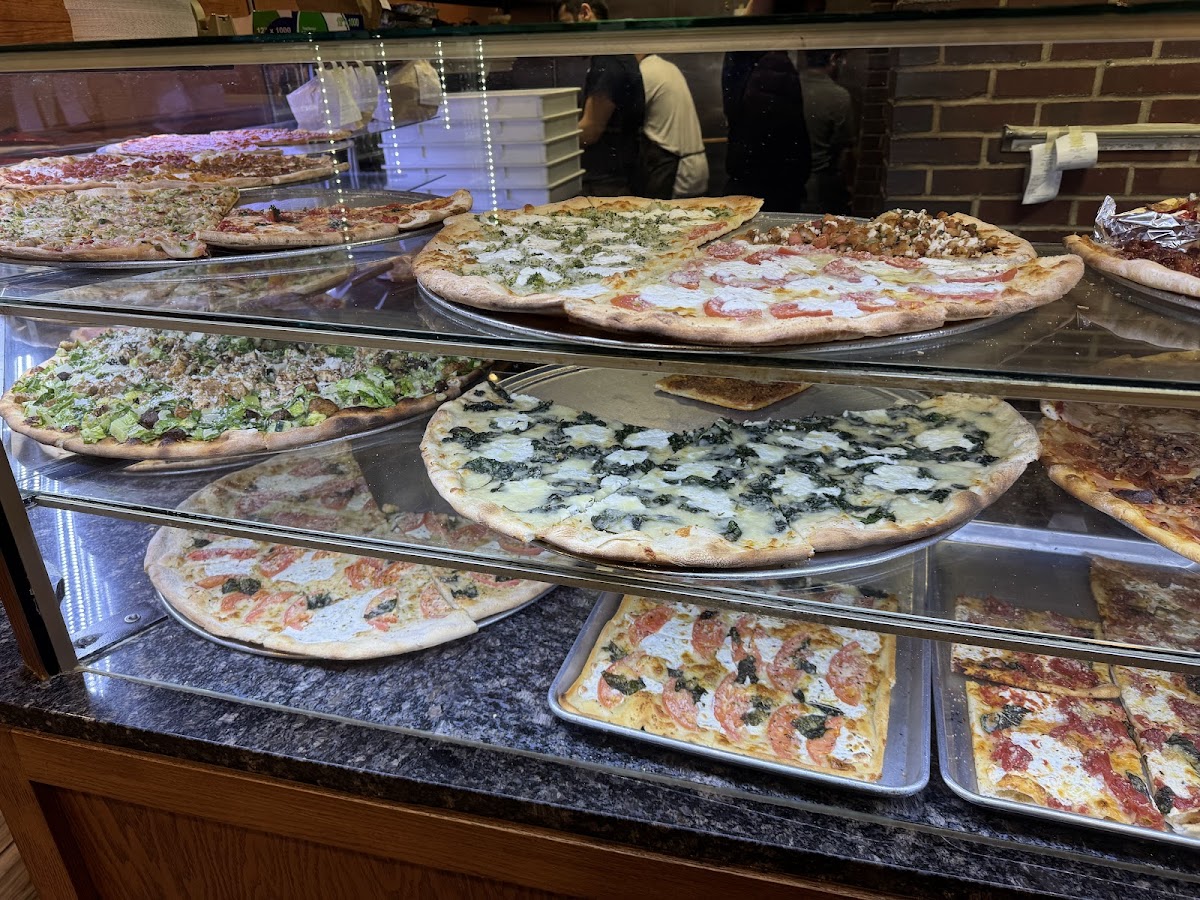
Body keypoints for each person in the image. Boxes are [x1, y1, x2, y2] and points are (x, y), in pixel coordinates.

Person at [557, 1, 645, 196]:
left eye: (566, 24)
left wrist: (546, 144)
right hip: (618, 176)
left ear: (585, 12)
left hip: (608, 183)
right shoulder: (615, 55)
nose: (564, 36)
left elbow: (590, 131)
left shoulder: (608, 61)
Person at [634, 53, 709, 199]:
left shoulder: (645, 71)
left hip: (675, 169)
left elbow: (625, 115)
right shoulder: (668, 67)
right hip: (696, 165)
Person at [800, 49, 854, 214]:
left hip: (778, 178)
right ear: (833, 59)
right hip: (818, 181)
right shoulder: (838, 96)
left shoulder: (788, 86)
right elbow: (844, 144)